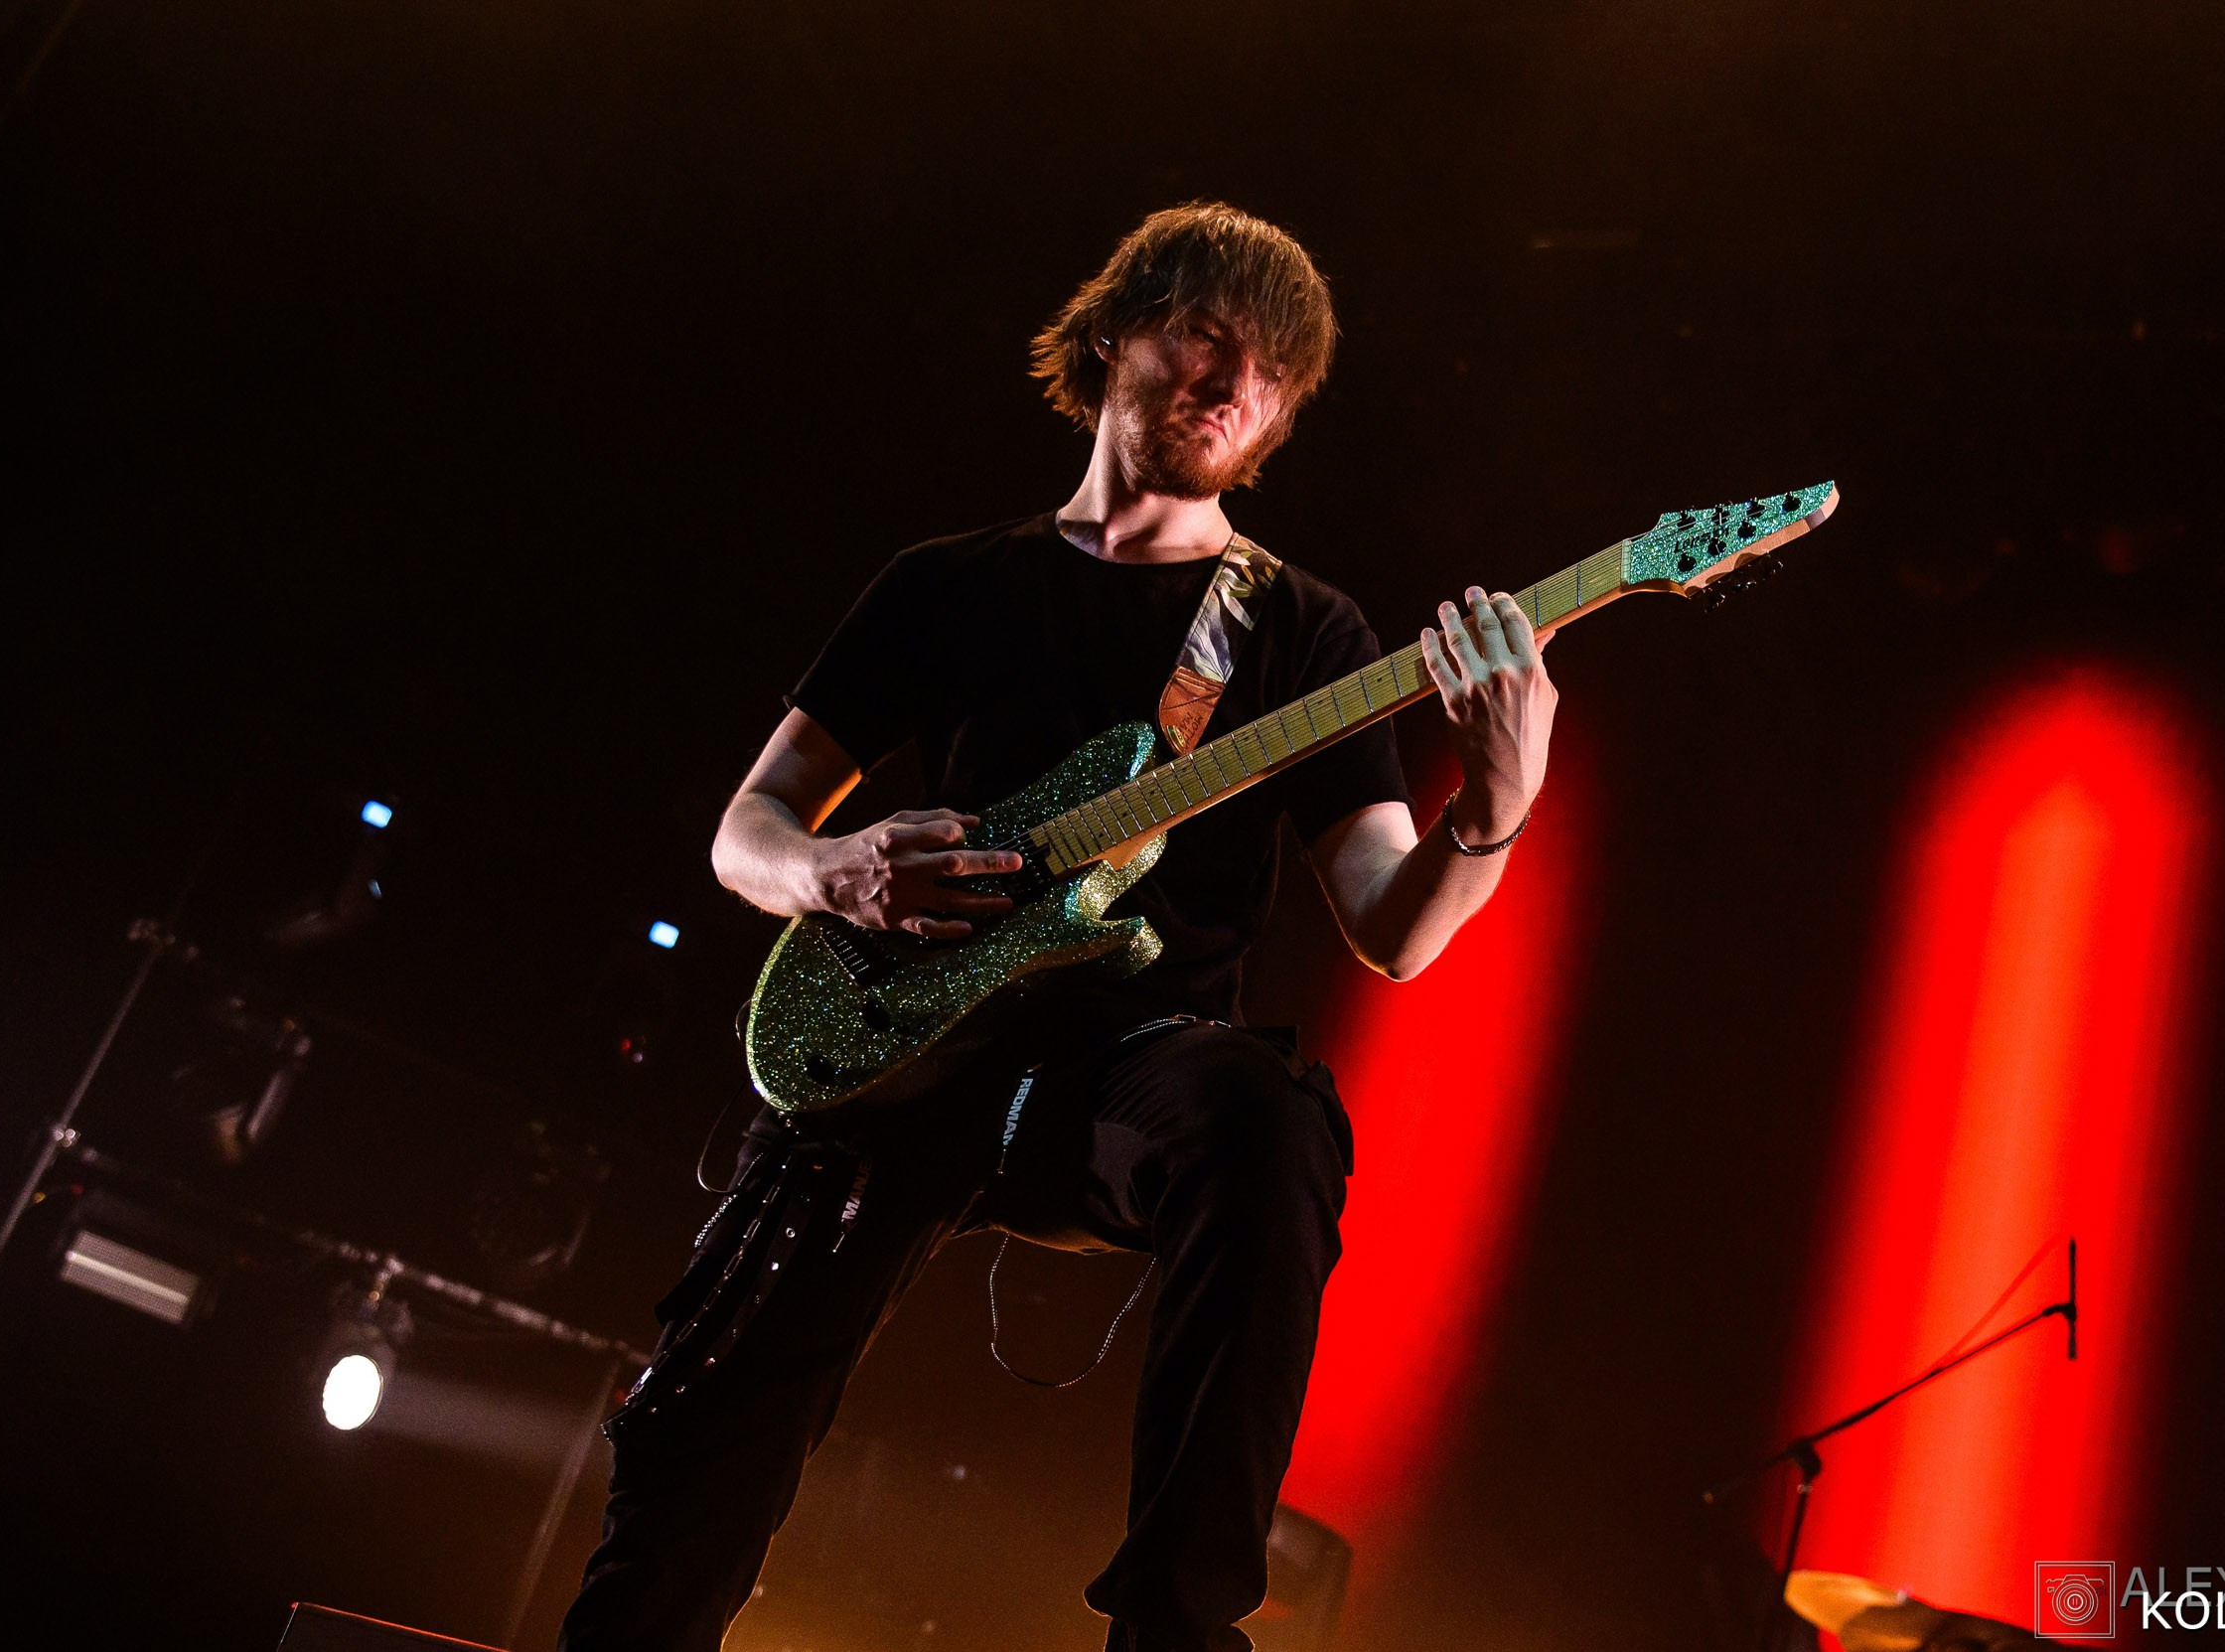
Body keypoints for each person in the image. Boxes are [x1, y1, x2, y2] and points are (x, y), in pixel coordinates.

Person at [557, 201, 1558, 1652]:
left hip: (1121, 1068)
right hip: (904, 1026)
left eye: (1271, 373)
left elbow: (1393, 932)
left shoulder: (1302, 632)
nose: (1233, 385)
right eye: (1208, 339)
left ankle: (1176, 1632)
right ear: (1110, 342)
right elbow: (746, 830)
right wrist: (836, 872)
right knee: (707, 1416)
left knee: (1270, 1122)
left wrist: (1497, 804)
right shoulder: (950, 583)